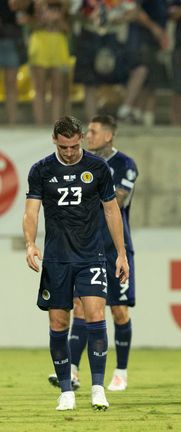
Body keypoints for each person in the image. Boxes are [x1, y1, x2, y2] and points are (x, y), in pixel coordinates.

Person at [24, 116, 129, 411]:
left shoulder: (97, 168)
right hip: (56, 258)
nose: (69, 152)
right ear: (54, 140)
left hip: (90, 255)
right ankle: (66, 391)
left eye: (73, 145)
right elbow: (31, 212)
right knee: (58, 322)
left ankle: (98, 388)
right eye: (63, 146)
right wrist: (31, 243)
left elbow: (111, 211)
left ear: (80, 138)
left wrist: (120, 253)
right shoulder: (41, 170)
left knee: (96, 315)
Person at [72, 115, 138, 392]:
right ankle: (73, 371)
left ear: (108, 135)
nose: (88, 135)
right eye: (87, 131)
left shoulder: (125, 164)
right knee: (81, 308)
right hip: (85, 247)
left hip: (114, 248)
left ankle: (120, 371)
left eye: (94, 131)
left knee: (119, 311)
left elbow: (117, 200)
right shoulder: (78, 162)